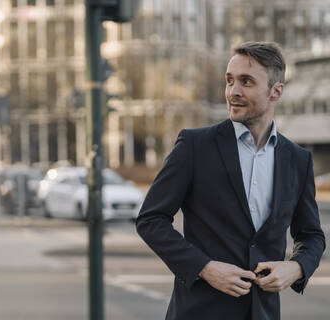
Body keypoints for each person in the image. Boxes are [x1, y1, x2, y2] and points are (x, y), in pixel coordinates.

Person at [135, 42, 326, 320]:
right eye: (229, 80)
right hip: (198, 312)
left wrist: (295, 268)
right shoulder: (194, 146)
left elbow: (311, 236)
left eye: (246, 82)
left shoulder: (298, 159)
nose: (233, 92)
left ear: (276, 91)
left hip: (263, 313)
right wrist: (205, 267)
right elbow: (150, 220)